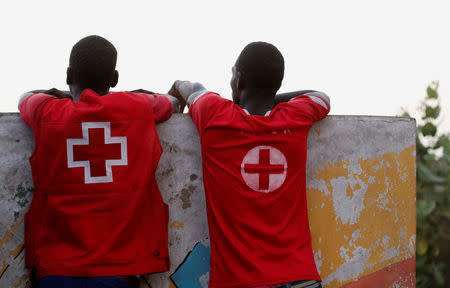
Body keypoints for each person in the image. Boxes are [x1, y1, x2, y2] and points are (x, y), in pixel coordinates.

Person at [19, 35, 178, 288]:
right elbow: (172, 103)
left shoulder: (47, 111)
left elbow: (25, 98)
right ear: (114, 78)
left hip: (55, 269)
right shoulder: (137, 107)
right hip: (119, 269)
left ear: (69, 76)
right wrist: (129, 96)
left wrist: (55, 94)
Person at [169, 42, 330, 288]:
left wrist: (173, 93)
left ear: (239, 79)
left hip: (238, 281)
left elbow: (190, 87)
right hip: (301, 277)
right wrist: (270, 96)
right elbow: (320, 97)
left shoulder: (215, 115)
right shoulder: (295, 117)